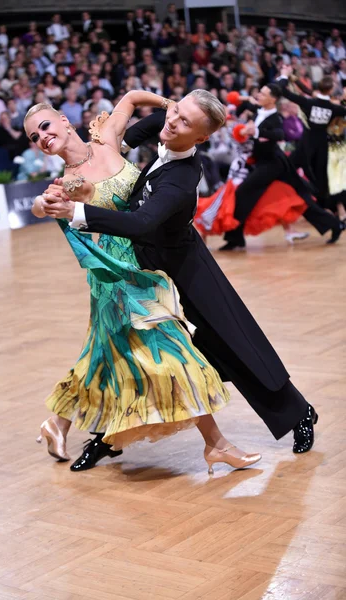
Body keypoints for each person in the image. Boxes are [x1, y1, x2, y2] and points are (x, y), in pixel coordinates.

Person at [40, 91, 319, 472]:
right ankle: (107, 438)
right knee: (126, 351)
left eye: (185, 122)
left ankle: (298, 413)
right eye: (175, 112)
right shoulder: (165, 125)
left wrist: (78, 211)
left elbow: (140, 224)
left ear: (200, 138)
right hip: (136, 266)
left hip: (183, 264)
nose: (173, 123)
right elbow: (139, 124)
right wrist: (117, 142)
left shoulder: (182, 178)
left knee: (232, 341)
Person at [220, 85, 345, 250]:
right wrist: (242, 100)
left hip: (273, 164)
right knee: (300, 197)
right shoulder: (259, 109)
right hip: (267, 162)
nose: (259, 95)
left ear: (273, 99)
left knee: (243, 192)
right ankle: (335, 225)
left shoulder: (275, 118)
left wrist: (255, 132)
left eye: (263, 93)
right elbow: (245, 105)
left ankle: (235, 238)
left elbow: (279, 134)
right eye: (260, 92)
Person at [277, 66, 346, 210]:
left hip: (305, 143)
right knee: (320, 177)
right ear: (331, 90)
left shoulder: (308, 102)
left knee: (291, 169)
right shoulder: (333, 108)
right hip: (322, 146)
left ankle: (303, 199)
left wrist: (284, 76)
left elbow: (284, 91)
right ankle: (324, 206)